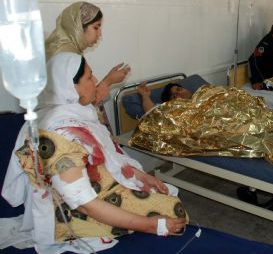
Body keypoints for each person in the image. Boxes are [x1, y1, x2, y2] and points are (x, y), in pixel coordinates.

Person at [2, 53, 187, 252]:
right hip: (72, 212)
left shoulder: (75, 114)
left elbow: (108, 156)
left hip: (99, 185)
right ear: (71, 87)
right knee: (173, 213)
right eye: (90, 77)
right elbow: (83, 204)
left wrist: (140, 175)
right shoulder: (57, 134)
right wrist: (150, 225)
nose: (96, 81)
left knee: (167, 197)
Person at [45, 1, 130, 130]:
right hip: (67, 129)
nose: (99, 34)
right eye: (96, 27)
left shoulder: (61, 49)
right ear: (78, 27)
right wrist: (108, 81)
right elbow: (82, 101)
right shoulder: (65, 57)